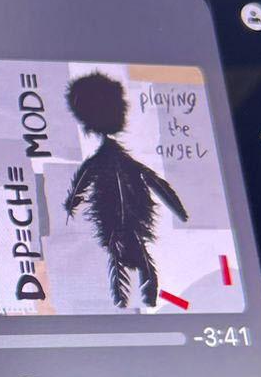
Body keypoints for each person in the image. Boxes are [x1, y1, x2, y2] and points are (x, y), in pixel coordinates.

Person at [62, 71, 188, 308]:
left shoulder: (107, 162)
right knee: (128, 250)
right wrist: (180, 212)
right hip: (123, 217)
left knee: (122, 251)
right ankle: (134, 299)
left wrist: (71, 205)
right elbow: (154, 182)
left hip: (123, 217)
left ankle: (131, 299)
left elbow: (153, 181)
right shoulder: (117, 162)